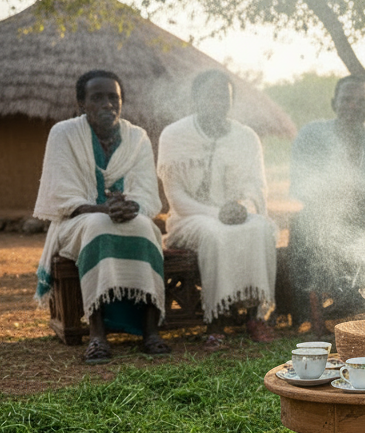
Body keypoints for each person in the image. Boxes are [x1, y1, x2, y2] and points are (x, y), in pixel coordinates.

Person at [33, 70, 170, 363]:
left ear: (121, 102)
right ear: (82, 103)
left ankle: (150, 331)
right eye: (97, 98)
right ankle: (97, 335)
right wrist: (105, 209)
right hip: (77, 222)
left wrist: (131, 207)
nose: (107, 104)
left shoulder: (137, 138)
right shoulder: (64, 133)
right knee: (98, 225)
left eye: (113, 97)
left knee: (146, 228)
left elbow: (147, 194)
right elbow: (62, 198)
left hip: (126, 217)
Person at [157, 70, 278, 347]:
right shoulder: (174, 135)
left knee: (261, 228)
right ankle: (216, 320)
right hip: (190, 219)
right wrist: (217, 214)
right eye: (211, 94)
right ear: (195, 98)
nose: (218, 100)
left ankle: (254, 315)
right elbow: (175, 198)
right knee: (214, 232)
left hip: (237, 214)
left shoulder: (246, 137)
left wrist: (243, 207)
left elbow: (256, 188)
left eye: (225, 95)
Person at [289, 76, 365, 333]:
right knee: (306, 222)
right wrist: (335, 200)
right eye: (347, 99)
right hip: (325, 213)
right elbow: (300, 185)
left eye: (362, 101)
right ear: (333, 103)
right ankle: (310, 315)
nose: (354, 106)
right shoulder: (312, 134)